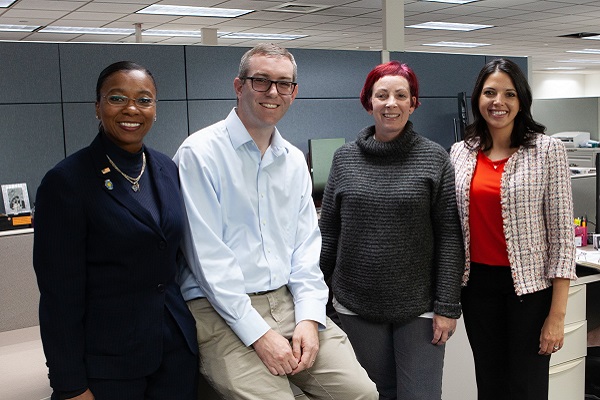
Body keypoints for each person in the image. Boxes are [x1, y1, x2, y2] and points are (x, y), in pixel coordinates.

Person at [174, 43, 377, 400]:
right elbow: (208, 262)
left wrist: (310, 319)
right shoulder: (199, 154)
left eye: (284, 84)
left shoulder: (294, 161)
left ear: (294, 93)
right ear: (239, 86)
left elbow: (305, 252)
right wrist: (258, 334)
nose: (273, 92)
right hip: (220, 308)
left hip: (287, 301)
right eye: (261, 81)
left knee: (361, 393)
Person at [33, 61, 199, 400]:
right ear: (97, 106)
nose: (131, 109)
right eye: (117, 98)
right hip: (109, 363)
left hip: (174, 352)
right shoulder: (67, 181)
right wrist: (70, 384)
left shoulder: (166, 169)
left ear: (155, 109)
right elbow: (58, 296)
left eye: (144, 100)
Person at [318, 60, 464, 400]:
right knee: (372, 394)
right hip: (355, 305)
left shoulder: (434, 158)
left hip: (420, 307)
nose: (391, 103)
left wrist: (446, 305)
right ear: (369, 101)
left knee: (421, 395)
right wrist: (320, 299)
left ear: (413, 103)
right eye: (381, 95)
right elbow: (329, 235)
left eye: (401, 95)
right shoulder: (344, 159)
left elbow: (449, 238)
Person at [449, 58, 577, 400]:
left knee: (527, 388)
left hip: (530, 291)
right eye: (489, 92)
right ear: (478, 98)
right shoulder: (461, 153)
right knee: (489, 385)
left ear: (521, 100)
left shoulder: (548, 151)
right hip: (476, 288)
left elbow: (563, 239)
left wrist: (557, 316)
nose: (498, 102)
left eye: (508, 94)